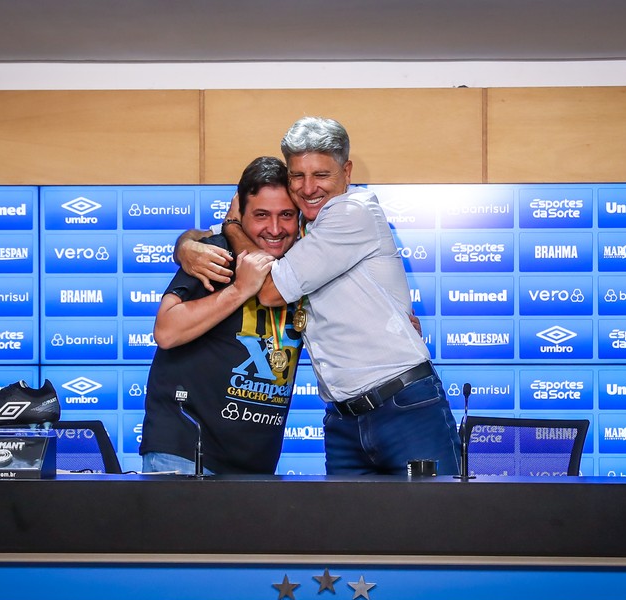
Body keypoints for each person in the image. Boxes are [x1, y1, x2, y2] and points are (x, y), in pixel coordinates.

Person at [180, 117, 461, 476]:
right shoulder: (302, 230)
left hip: (403, 408)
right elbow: (206, 238)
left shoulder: (351, 213)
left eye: (321, 175)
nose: (308, 188)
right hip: (343, 420)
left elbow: (268, 290)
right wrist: (186, 246)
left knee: (436, 525)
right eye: (297, 176)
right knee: (346, 532)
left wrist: (232, 226)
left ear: (346, 171)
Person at [140, 156, 303, 474]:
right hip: (187, 456)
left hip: (255, 464)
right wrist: (238, 290)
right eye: (261, 215)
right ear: (239, 214)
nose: (274, 228)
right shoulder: (216, 254)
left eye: (286, 215)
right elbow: (167, 330)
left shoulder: (305, 265)